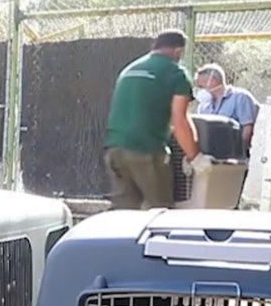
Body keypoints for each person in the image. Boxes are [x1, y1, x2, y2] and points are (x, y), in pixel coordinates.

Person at [102, 29, 209, 210]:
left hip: (114, 150)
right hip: (146, 150)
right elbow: (180, 120)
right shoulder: (176, 73)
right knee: (160, 211)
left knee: (123, 212)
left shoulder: (129, 69)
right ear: (178, 51)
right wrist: (195, 157)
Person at [194, 62, 260, 153]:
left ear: (212, 80)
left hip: (234, 155)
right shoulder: (204, 106)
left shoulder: (240, 98)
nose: (199, 90)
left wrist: (238, 152)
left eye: (201, 86)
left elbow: (248, 129)